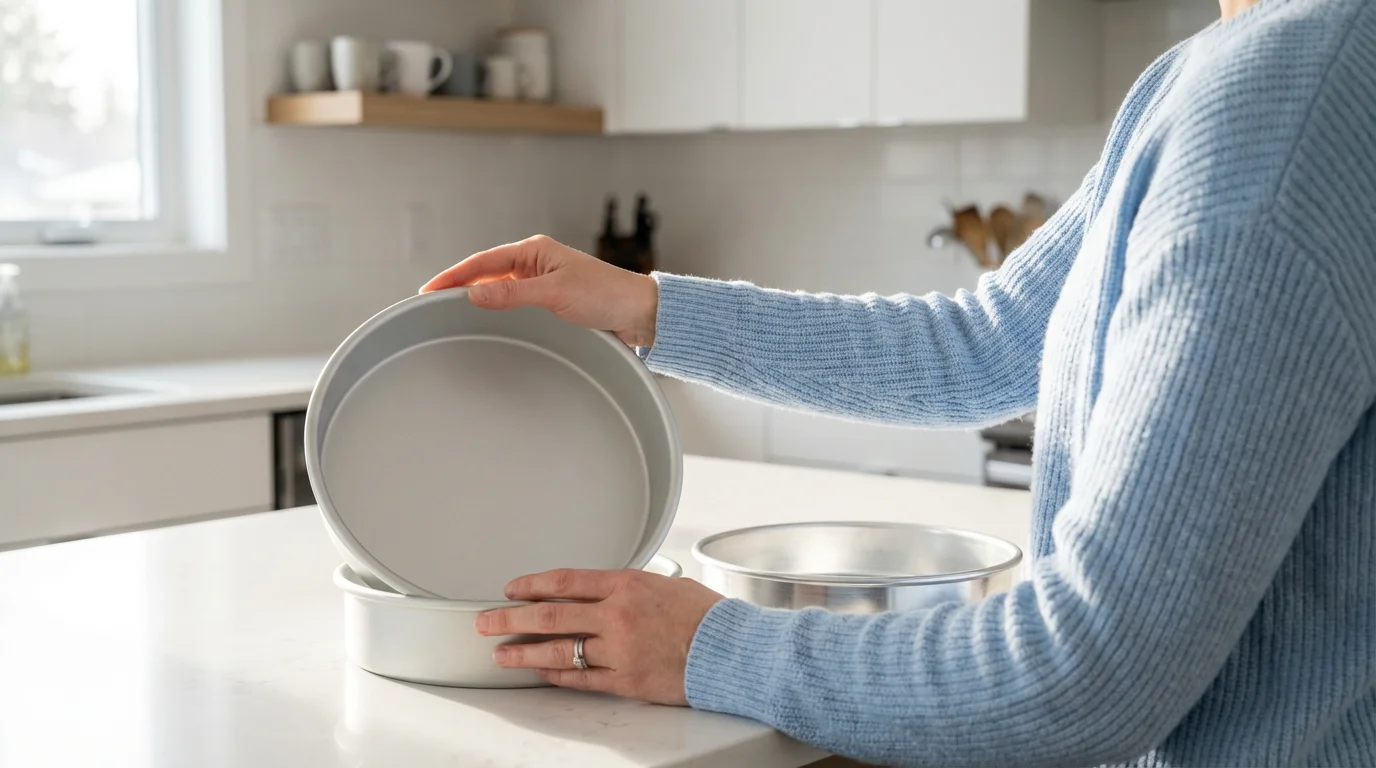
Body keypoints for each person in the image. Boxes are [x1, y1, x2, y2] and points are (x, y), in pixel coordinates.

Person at [421, 0, 1376, 764]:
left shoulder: (1288, 96)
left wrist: (709, 648)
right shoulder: (1215, 72)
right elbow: (982, 344)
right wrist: (648, 308)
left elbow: (1088, 674)